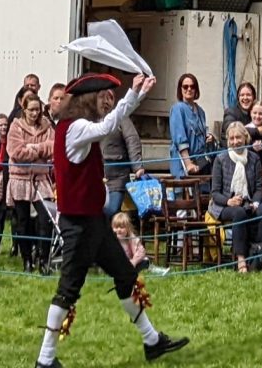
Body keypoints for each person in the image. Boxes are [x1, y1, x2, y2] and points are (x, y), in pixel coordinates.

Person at [35, 73, 185, 368]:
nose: (107, 101)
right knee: (68, 290)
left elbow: (108, 124)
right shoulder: (75, 127)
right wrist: (135, 94)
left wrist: (137, 94)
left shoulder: (75, 127)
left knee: (125, 275)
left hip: (94, 222)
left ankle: (152, 341)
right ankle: (45, 360)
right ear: (88, 99)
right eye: (103, 96)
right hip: (79, 224)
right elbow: (108, 126)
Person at [5, 91, 58, 272]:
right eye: (31, 110)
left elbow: (53, 147)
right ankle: (27, 260)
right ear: (24, 109)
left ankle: (44, 260)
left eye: (38, 110)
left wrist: (33, 148)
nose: (35, 114)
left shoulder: (47, 126)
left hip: (41, 179)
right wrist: (39, 152)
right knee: (22, 221)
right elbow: (16, 152)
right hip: (20, 179)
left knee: (46, 219)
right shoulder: (15, 127)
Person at [210, 121, 262, 272]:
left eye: (238, 137)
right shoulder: (220, 159)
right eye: (231, 138)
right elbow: (215, 192)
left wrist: (256, 203)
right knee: (239, 212)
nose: (235, 141)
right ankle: (241, 259)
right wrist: (229, 201)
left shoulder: (254, 158)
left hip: (250, 200)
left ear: (245, 138)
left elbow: (258, 188)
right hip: (225, 204)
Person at [168, 75, 209, 176]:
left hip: (200, 164)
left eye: (192, 86)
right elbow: (179, 139)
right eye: (185, 87)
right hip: (183, 164)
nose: (189, 89)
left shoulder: (201, 111)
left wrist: (208, 137)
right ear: (180, 89)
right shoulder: (177, 109)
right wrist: (188, 164)